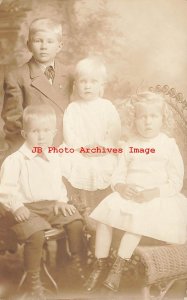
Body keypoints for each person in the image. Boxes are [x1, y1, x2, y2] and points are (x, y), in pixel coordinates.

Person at [84, 91, 187, 293]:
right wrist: (121, 187)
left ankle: (118, 267)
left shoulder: (167, 145)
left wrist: (155, 192)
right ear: (135, 119)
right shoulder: (130, 145)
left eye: (153, 116)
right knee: (105, 217)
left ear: (162, 119)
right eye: (142, 117)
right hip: (130, 195)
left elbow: (176, 182)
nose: (147, 122)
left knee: (138, 220)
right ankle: (100, 263)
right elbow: (118, 175)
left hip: (157, 198)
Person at [0, 104, 85, 299]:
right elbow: (5, 190)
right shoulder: (16, 160)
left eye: (46, 131)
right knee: (36, 234)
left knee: (76, 222)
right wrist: (17, 206)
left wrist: (61, 201)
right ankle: (34, 279)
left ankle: (77, 266)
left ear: (54, 133)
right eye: (35, 131)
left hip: (51, 206)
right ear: (24, 133)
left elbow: (58, 184)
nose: (41, 136)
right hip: (26, 209)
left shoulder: (54, 156)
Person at [2, 18, 73, 156]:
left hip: (66, 149)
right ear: (28, 45)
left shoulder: (70, 74)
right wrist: (27, 155)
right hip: (34, 152)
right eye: (38, 41)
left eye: (50, 41)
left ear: (60, 46)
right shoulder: (17, 76)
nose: (44, 46)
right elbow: (13, 124)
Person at [61, 57, 121, 218]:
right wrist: (81, 147)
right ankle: (81, 209)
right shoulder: (73, 108)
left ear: (102, 85)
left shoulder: (107, 106)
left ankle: (103, 214)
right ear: (75, 85)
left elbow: (114, 132)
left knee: (105, 167)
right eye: (83, 81)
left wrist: (103, 146)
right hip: (79, 151)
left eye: (93, 81)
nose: (87, 86)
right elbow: (69, 134)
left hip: (102, 151)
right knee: (68, 163)